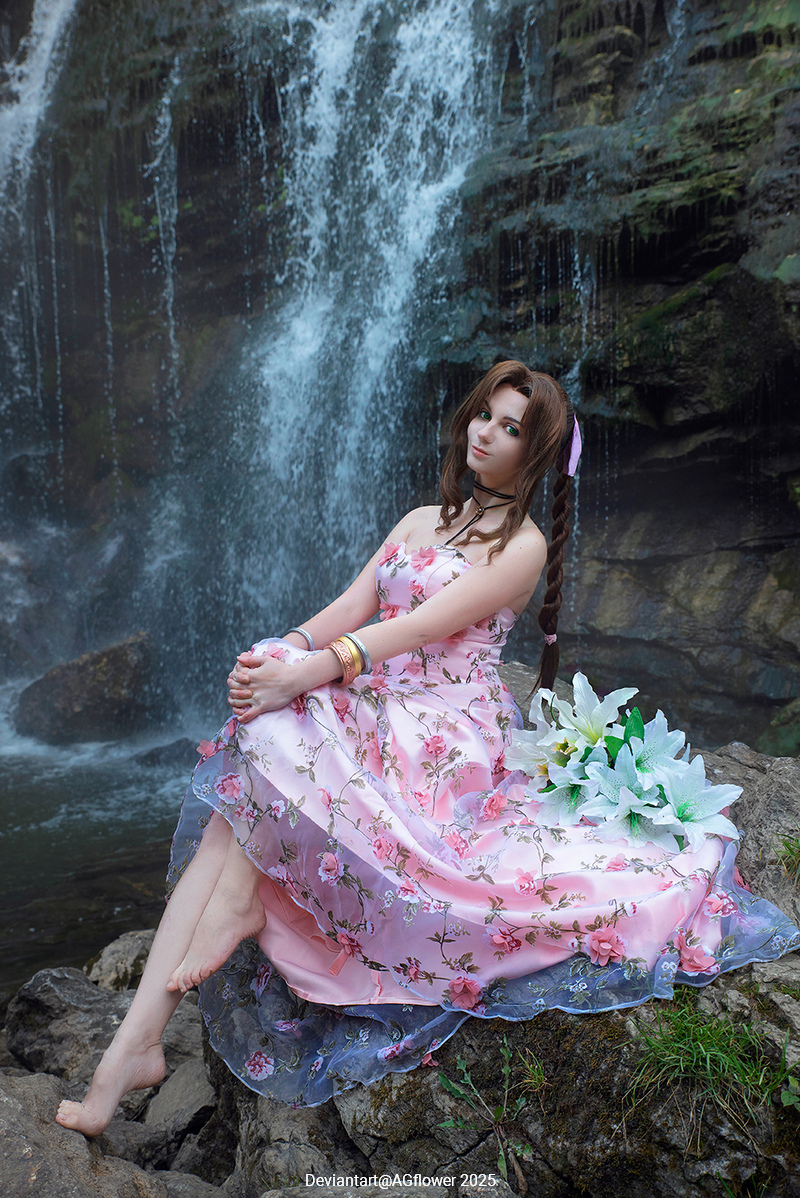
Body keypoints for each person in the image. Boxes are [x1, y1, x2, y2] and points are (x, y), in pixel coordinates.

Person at [56, 361, 798, 1131]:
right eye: (485, 414)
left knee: (280, 738)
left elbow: (419, 627)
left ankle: (144, 1032)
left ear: (535, 452)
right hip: (379, 699)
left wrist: (308, 673)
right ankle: (136, 1045)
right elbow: (353, 604)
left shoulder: (523, 547)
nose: (488, 432)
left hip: (446, 724)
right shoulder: (419, 519)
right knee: (257, 764)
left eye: (512, 428)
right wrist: (282, 652)